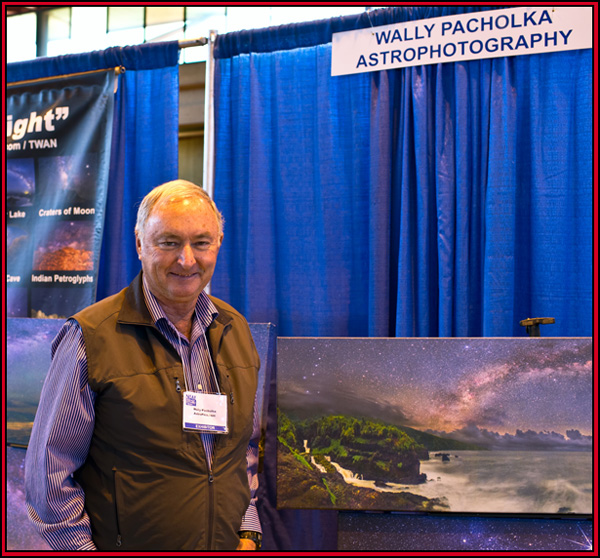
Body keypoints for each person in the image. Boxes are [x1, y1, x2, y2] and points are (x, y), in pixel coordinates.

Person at [25, 180, 263, 551]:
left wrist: (247, 530)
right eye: (169, 242)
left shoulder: (236, 330)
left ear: (218, 244)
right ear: (139, 243)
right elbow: (48, 476)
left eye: (201, 242)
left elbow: (243, 448)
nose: (186, 259)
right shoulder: (90, 337)